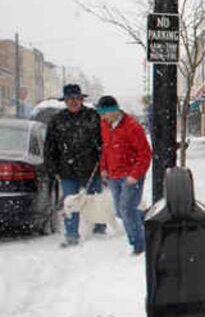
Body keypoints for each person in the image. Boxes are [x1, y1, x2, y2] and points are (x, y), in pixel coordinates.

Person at [44, 84, 106, 247]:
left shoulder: (93, 116)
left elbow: (104, 141)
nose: (73, 102)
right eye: (69, 99)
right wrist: (53, 170)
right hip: (67, 171)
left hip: (92, 168)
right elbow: (50, 147)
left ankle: (99, 234)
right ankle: (71, 235)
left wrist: (103, 162)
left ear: (81, 99)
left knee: (94, 203)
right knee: (70, 204)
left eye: (76, 98)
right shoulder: (57, 120)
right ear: (64, 101)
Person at [97, 96, 152, 255]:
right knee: (121, 212)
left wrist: (135, 175)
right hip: (114, 175)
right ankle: (144, 218)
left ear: (113, 111)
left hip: (130, 176)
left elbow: (145, 154)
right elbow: (106, 148)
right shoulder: (105, 125)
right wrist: (103, 168)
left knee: (126, 209)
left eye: (104, 113)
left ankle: (138, 246)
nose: (102, 117)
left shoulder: (132, 127)